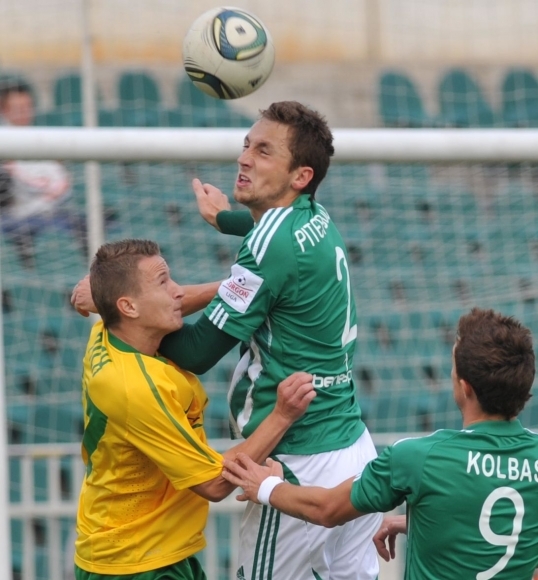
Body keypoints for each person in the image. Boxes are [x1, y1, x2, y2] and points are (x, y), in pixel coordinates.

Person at [72, 101, 382, 579]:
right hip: (353, 449)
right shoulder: (316, 218)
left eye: (263, 151)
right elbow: (268, 239)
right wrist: (223, 220)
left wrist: (115, 306)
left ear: (300, 175)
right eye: (245, 145)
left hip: (299, 456)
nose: (244, 158)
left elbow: (195, 353)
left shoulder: (268, 247)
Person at [222, 307, 538, 580]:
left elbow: (328, 509)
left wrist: (266, 487)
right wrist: (419, 521)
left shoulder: (420, 457)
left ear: (465, 388)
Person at [74, 238, 316, 579]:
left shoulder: (108, 330)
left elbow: (136, 301)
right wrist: (282, 415)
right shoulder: (136, 387)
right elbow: (216, 485)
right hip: (134, 561)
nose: (178, 292)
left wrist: (245, 287)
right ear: (127, 307)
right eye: (164, 282)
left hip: (151, 548)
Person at [0, 80, 87, 267]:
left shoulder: (41, 139)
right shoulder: (4, 143)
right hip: (14, 220)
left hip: (48, 215)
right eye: (19, 107)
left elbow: (60, 184)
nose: (25, 112)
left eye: (28, 106)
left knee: (92, 223)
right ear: (4, 110)